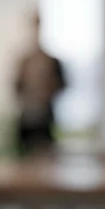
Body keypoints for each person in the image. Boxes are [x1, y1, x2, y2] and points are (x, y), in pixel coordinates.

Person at [13, 12, 67, 156]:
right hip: (27, 119)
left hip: (44, 120)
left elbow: (62, 85)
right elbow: (15, 87)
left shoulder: (51, 61)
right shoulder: (24, 60)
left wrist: (46, 89)